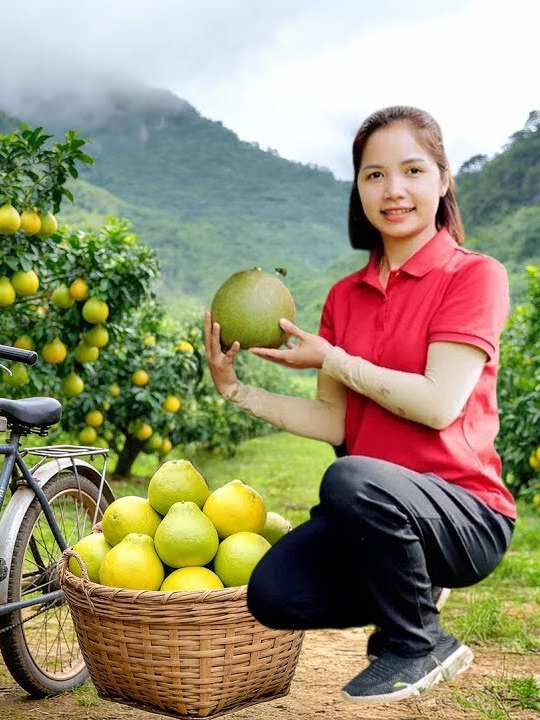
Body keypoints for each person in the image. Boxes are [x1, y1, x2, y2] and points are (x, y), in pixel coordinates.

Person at [203, 105, 516, 704]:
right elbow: (334, 421)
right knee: (274, 594)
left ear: (443, 180)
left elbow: (439, 405)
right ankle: (411, 587)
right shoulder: (345, 297)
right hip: (371, 516)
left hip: (465, 512)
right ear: (359, 188)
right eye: (375, 175)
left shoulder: (474, 276)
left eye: (412, 171)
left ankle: (419, 641)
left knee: (349, 476)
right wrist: (237, 390)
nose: (393, 190)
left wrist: (334, 360)